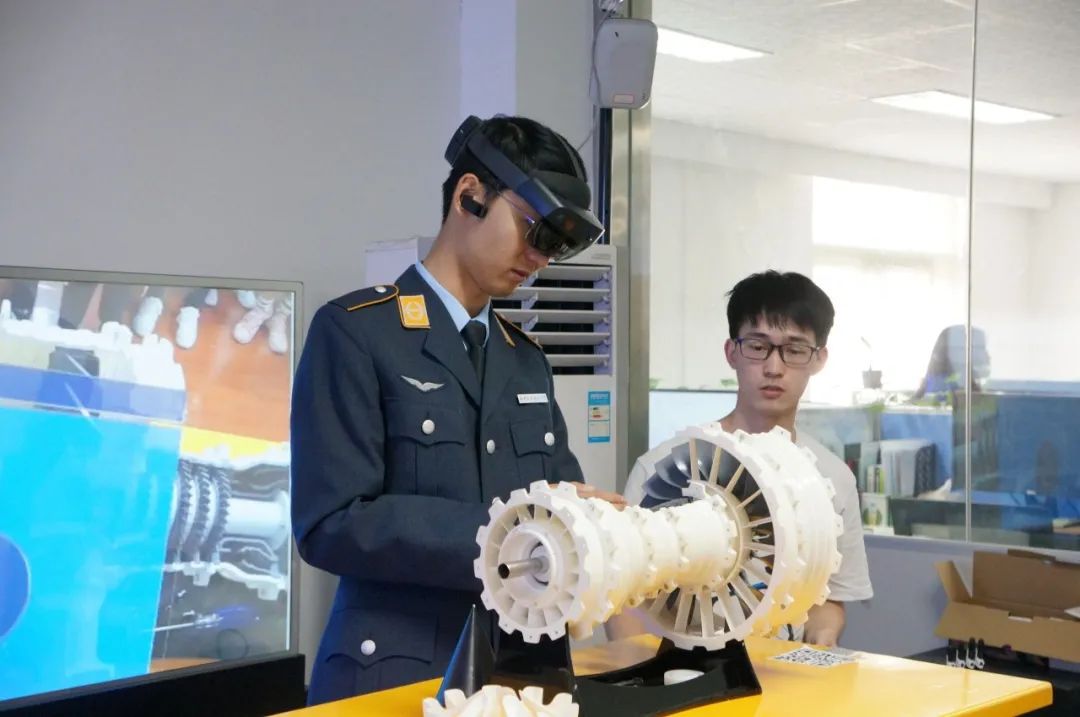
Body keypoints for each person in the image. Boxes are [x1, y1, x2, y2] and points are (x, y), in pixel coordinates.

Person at [290, 114, 625, 705]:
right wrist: (506, 532)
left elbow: (554, 502)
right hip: (398, 677)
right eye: (532, 229)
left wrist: (587, 520)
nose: (538, 258)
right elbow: (331, 523)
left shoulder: (525, 360)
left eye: (552, 245)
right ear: (470, 196)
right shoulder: (356, 333)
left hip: (522, 681)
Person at [619, 270, 872, 646]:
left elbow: (829, 597)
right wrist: (639, 669)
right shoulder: (668, 467)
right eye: (757, 346)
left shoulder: (831, 478)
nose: (774, 367)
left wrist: (822, 639)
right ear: (731, 352)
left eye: (794, 350)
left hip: (783, 673)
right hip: (679, 668)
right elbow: (624, 595)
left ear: (819, 359)